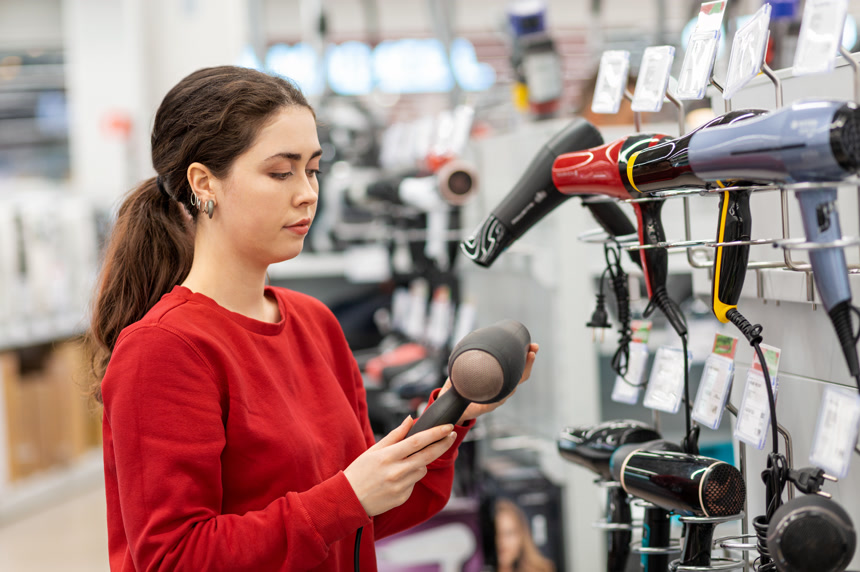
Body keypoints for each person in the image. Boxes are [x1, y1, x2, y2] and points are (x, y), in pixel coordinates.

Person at [84, 65, 538, 571]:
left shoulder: (313, 322)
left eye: (313, 169)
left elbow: (360, 520)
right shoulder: (165, 348)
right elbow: (174, 559)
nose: (306, 193)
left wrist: (453, 412)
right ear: (203, 183)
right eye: (281, 172)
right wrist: (346, 498)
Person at [494, 498, 555, 572]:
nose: (502, 541)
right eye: (496, 533)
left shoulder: (542, 569)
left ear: (521, 535)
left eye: (509, 533)